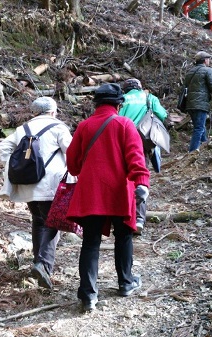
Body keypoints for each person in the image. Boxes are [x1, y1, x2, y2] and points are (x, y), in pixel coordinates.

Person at [65, 83, 150, 312]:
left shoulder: (84, 126)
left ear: (96, 104)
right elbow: (135, 157)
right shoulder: (125, 124)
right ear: (118, 104)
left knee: (90, 242)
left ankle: (88, 296)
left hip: (91, 193)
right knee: (123, 237)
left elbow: (72, 164)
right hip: (120, 192)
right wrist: (142, 183)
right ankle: (125, 282)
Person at [0, 97, 72, 289]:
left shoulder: (23, 129)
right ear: (53, 112)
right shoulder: (58, 127)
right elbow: (71, 152)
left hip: (28, 184)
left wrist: (15, 165)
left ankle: (38, 264)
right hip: (50, 184)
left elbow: (3, 148)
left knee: (39, 221)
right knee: (53, 222)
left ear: (35, 112)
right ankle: (43, 265)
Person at [119, 78, 168, 235]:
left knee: (122, 176)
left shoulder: (121, 99)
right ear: (140, 87)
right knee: (140, 177)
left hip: (122, 139)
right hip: (141, 141)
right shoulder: (149, 98)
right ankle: (138, 219)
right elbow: (162, 114)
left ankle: (120, 215)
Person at [184, 51, 212, 152]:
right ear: (205, 60)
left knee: (200, 127)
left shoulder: (190, 72)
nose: (209, 61)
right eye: (208, 59)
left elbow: (196, 85)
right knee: (199, 129)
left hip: (190, 104)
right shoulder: (208, 71)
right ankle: (192, 152)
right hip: (200, 104)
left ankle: (205, 147)